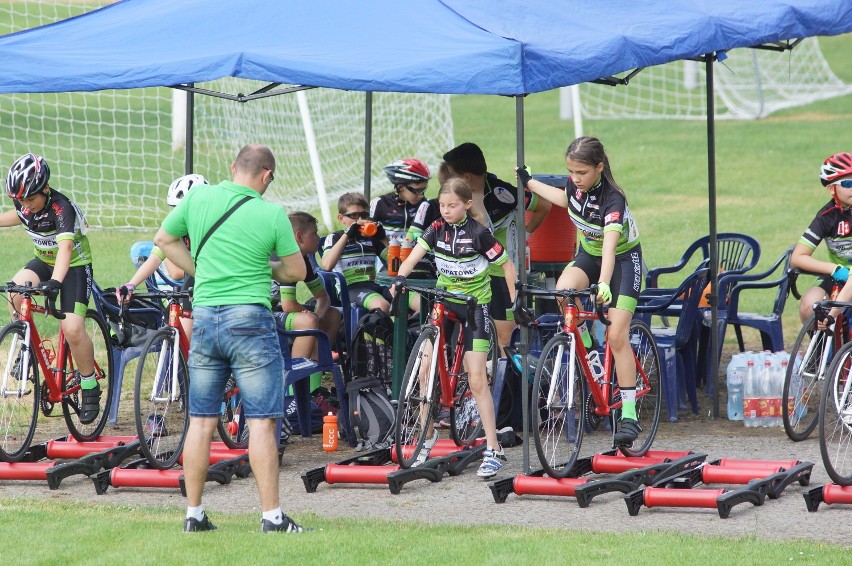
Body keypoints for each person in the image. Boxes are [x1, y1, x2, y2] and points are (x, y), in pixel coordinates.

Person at [154, 144, 307, 533]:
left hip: (205, 318)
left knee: (200, 421)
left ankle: (194, 513)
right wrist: (266, 267)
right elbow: (296, 270)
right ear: (266, 176)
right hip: (250, 321)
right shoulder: (271, 213)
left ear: (232, 167)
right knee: (260, 423)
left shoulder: (200, 196)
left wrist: (201, 270)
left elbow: (164, 239)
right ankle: (272, 516)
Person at [515, 136, 643, 445]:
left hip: (623, 262)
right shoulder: (576, 187)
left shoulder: (614, 199)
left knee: (616, 335)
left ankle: (629, 415)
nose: (575, 179)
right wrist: (529, 182)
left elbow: (611, 249)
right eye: (571, 172)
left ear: (599, 168)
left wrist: (603, 283)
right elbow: (562, 199)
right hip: (589, 254)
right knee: (563, 290)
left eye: (581, 173)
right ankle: (585, 342)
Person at [393, 176, 517, 478]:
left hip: (475, 307)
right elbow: (414, 255)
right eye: (442, 205)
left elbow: (507, 265)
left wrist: (515, 302)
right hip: (444, 302)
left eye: (453, 205)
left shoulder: (479, 234)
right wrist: (400, 278)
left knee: (476, 379)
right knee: (424, 367)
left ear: (467, 204)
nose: (446, 210)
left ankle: (493, 448)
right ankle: (427, 434)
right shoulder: (436, 229)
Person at [0, 152, 101, 424]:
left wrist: (55, 283)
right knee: (14, 291)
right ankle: (25, 348)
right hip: (44, 262)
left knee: (72, 328)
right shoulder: (25, 204)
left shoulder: (61, 208)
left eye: (30, 199)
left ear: (45, 188)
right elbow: (18, 215)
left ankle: (90, 384)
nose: (25, 205)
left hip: (73, 267)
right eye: (20, 200)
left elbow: (66, 249)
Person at [442, 142, 551, 353]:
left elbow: (544, 206)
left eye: (451, 175)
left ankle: (503, 384)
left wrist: (525, 234)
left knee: (505, 339)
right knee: (466, 342)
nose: (448, 180)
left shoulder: (504, 193)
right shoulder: (453, 200)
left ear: (466, 178)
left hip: (502, 275)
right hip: (468, 275)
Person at [117, 173, 208, 338]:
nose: (177, 214)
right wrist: (131, 285)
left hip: (214, 288)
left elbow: (177, 272)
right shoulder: (177, 228)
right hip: (191, 287)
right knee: (182, 336)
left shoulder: (211, 228)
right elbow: (155, 258)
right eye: (175, 209)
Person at [791, 152, 852, 324]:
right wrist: (835, 269)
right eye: (848, 183)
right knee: (809, 304)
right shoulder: (826, 217)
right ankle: (821, 348)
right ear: (831, 188)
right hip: (840, 277)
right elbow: (797, 257)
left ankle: (829, 320)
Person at [273, 210, 341, 362]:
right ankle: (297, 381)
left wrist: (319, 314)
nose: (318, 238)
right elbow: (288, 306)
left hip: (280, 311)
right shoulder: (285, 256)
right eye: (314, 234)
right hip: (265, 313)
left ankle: (316, 373)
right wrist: (313, 317)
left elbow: (322, 297)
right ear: (298, 237)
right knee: (308, 322)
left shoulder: (303, 259)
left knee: (333, 315)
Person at [320, 192, 391, 313]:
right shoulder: (335, 237)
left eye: (364, 215)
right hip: (349, 289)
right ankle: (376, 331)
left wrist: (383, 239)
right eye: (354, 215)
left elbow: (397, 264)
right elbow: (326, 265)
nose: (360, 220)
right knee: (382, 305)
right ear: (341, 218)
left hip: (374, 285)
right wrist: (347, 235)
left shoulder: (372, 238)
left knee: (408, 299)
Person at [371, 159, 437, 278]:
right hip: (387, 266)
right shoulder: (380, 203)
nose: (421, 195)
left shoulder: (427, 206)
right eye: (417, 190)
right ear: (401, 187)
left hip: (418, 266)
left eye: (424, 189)